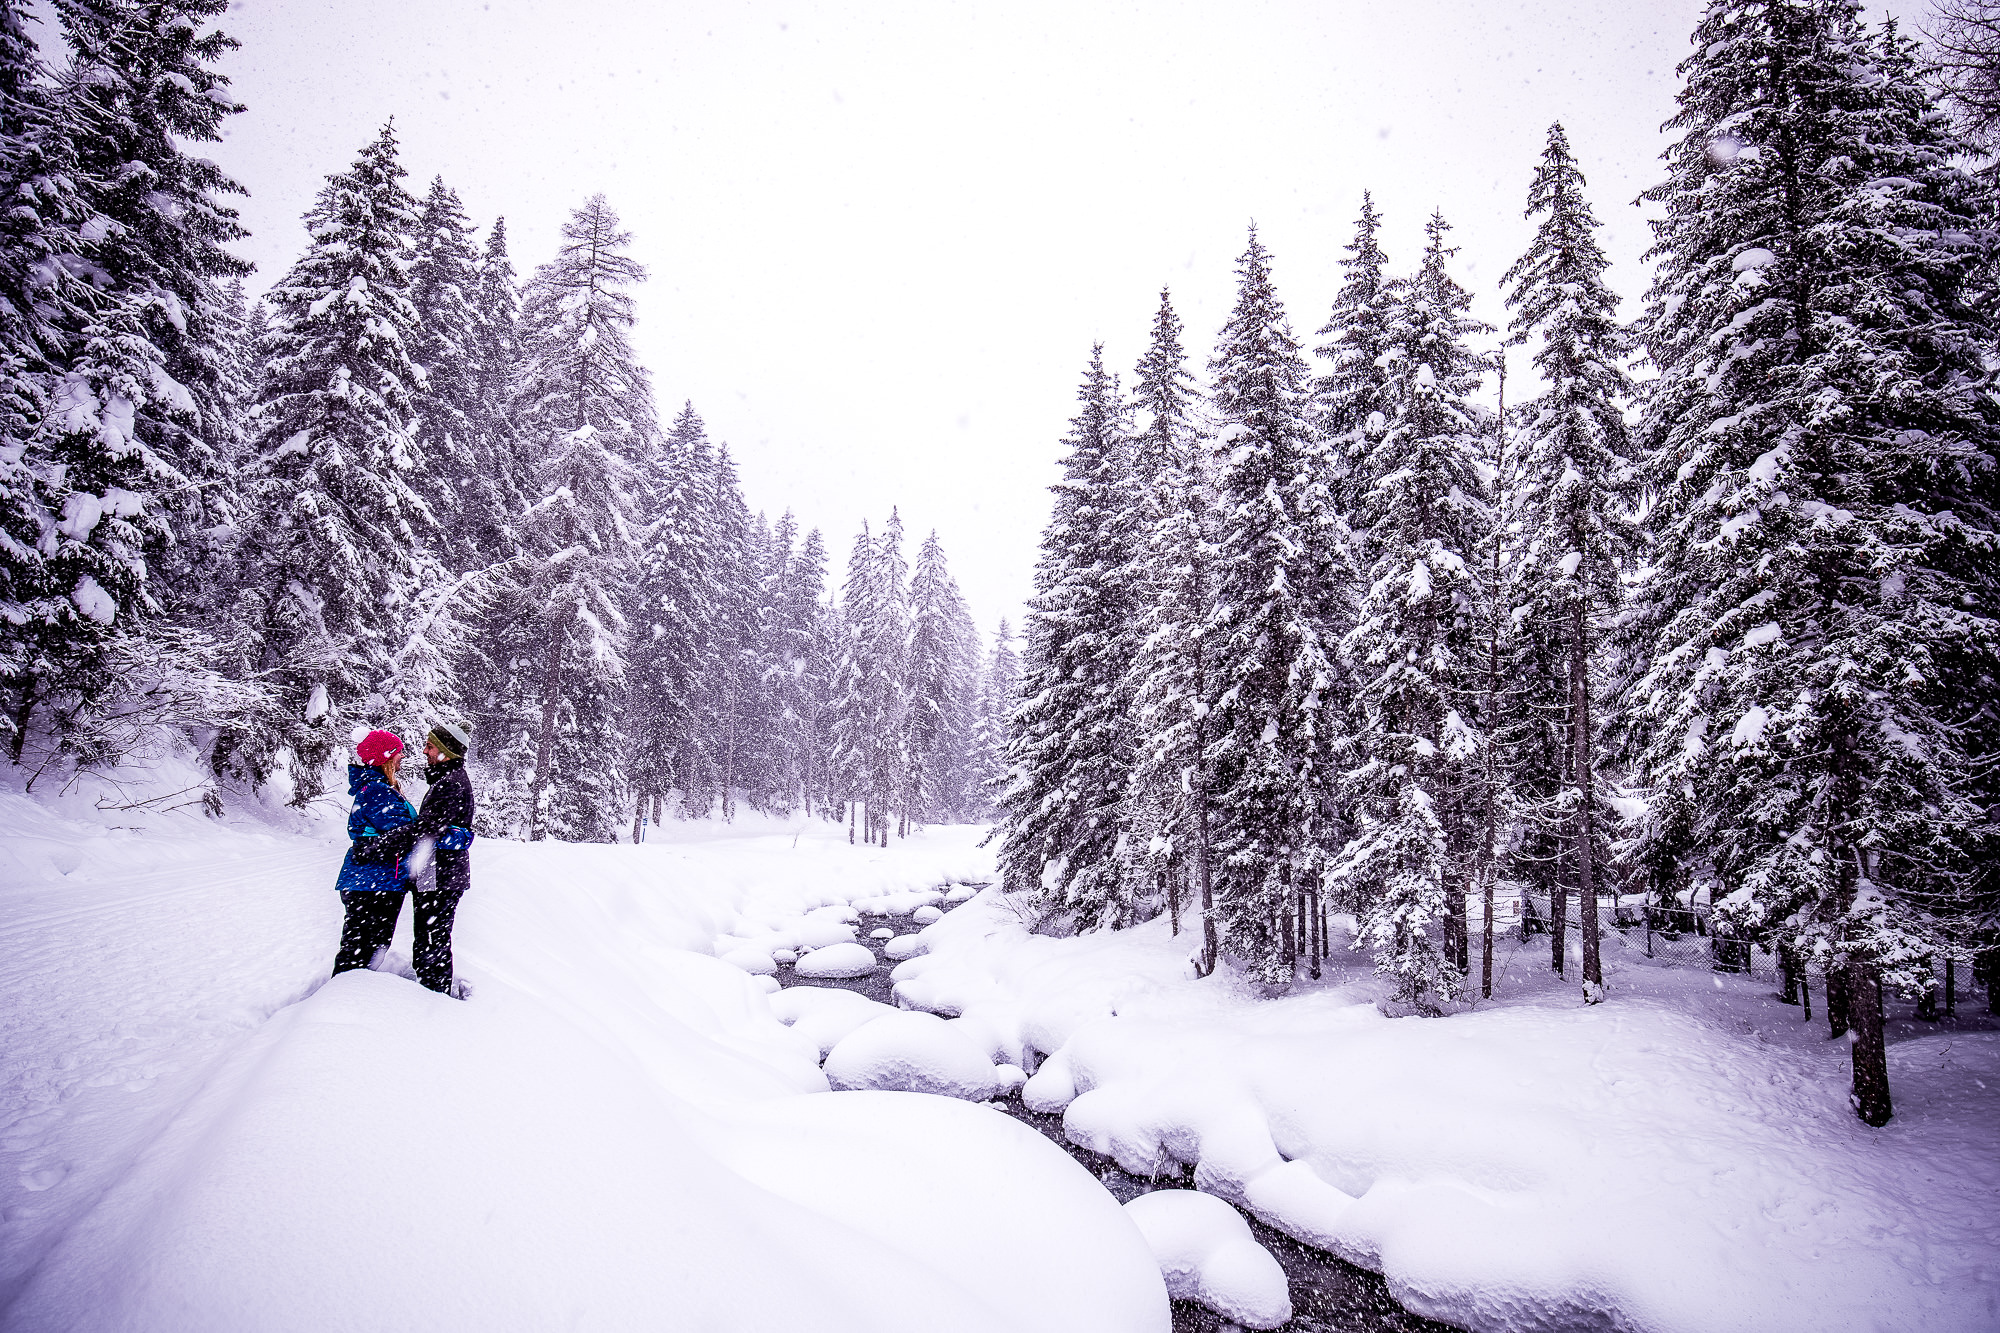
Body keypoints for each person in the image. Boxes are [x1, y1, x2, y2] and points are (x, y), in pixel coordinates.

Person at [379, 720, 476, 997]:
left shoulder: (450, 784)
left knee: (431, 940)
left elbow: (426, 829)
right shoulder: (447, 780)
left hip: (440, 877)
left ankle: (433, 999)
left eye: (431, 747)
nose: (424, 751)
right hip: (439, 875)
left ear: (447, 751)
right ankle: (432, 990)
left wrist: (383, 844)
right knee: (430, 938)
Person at [331, 729, 416, 977]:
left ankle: (349, 992)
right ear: (385, 757)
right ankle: (344, 996)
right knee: (364, 948)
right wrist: (431, 828)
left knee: (363, 945)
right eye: (397, 752)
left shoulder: (378, 787)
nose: (401, 757)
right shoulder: (378, 791)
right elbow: (401, 833)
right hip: (372, 883)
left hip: (372, 880)